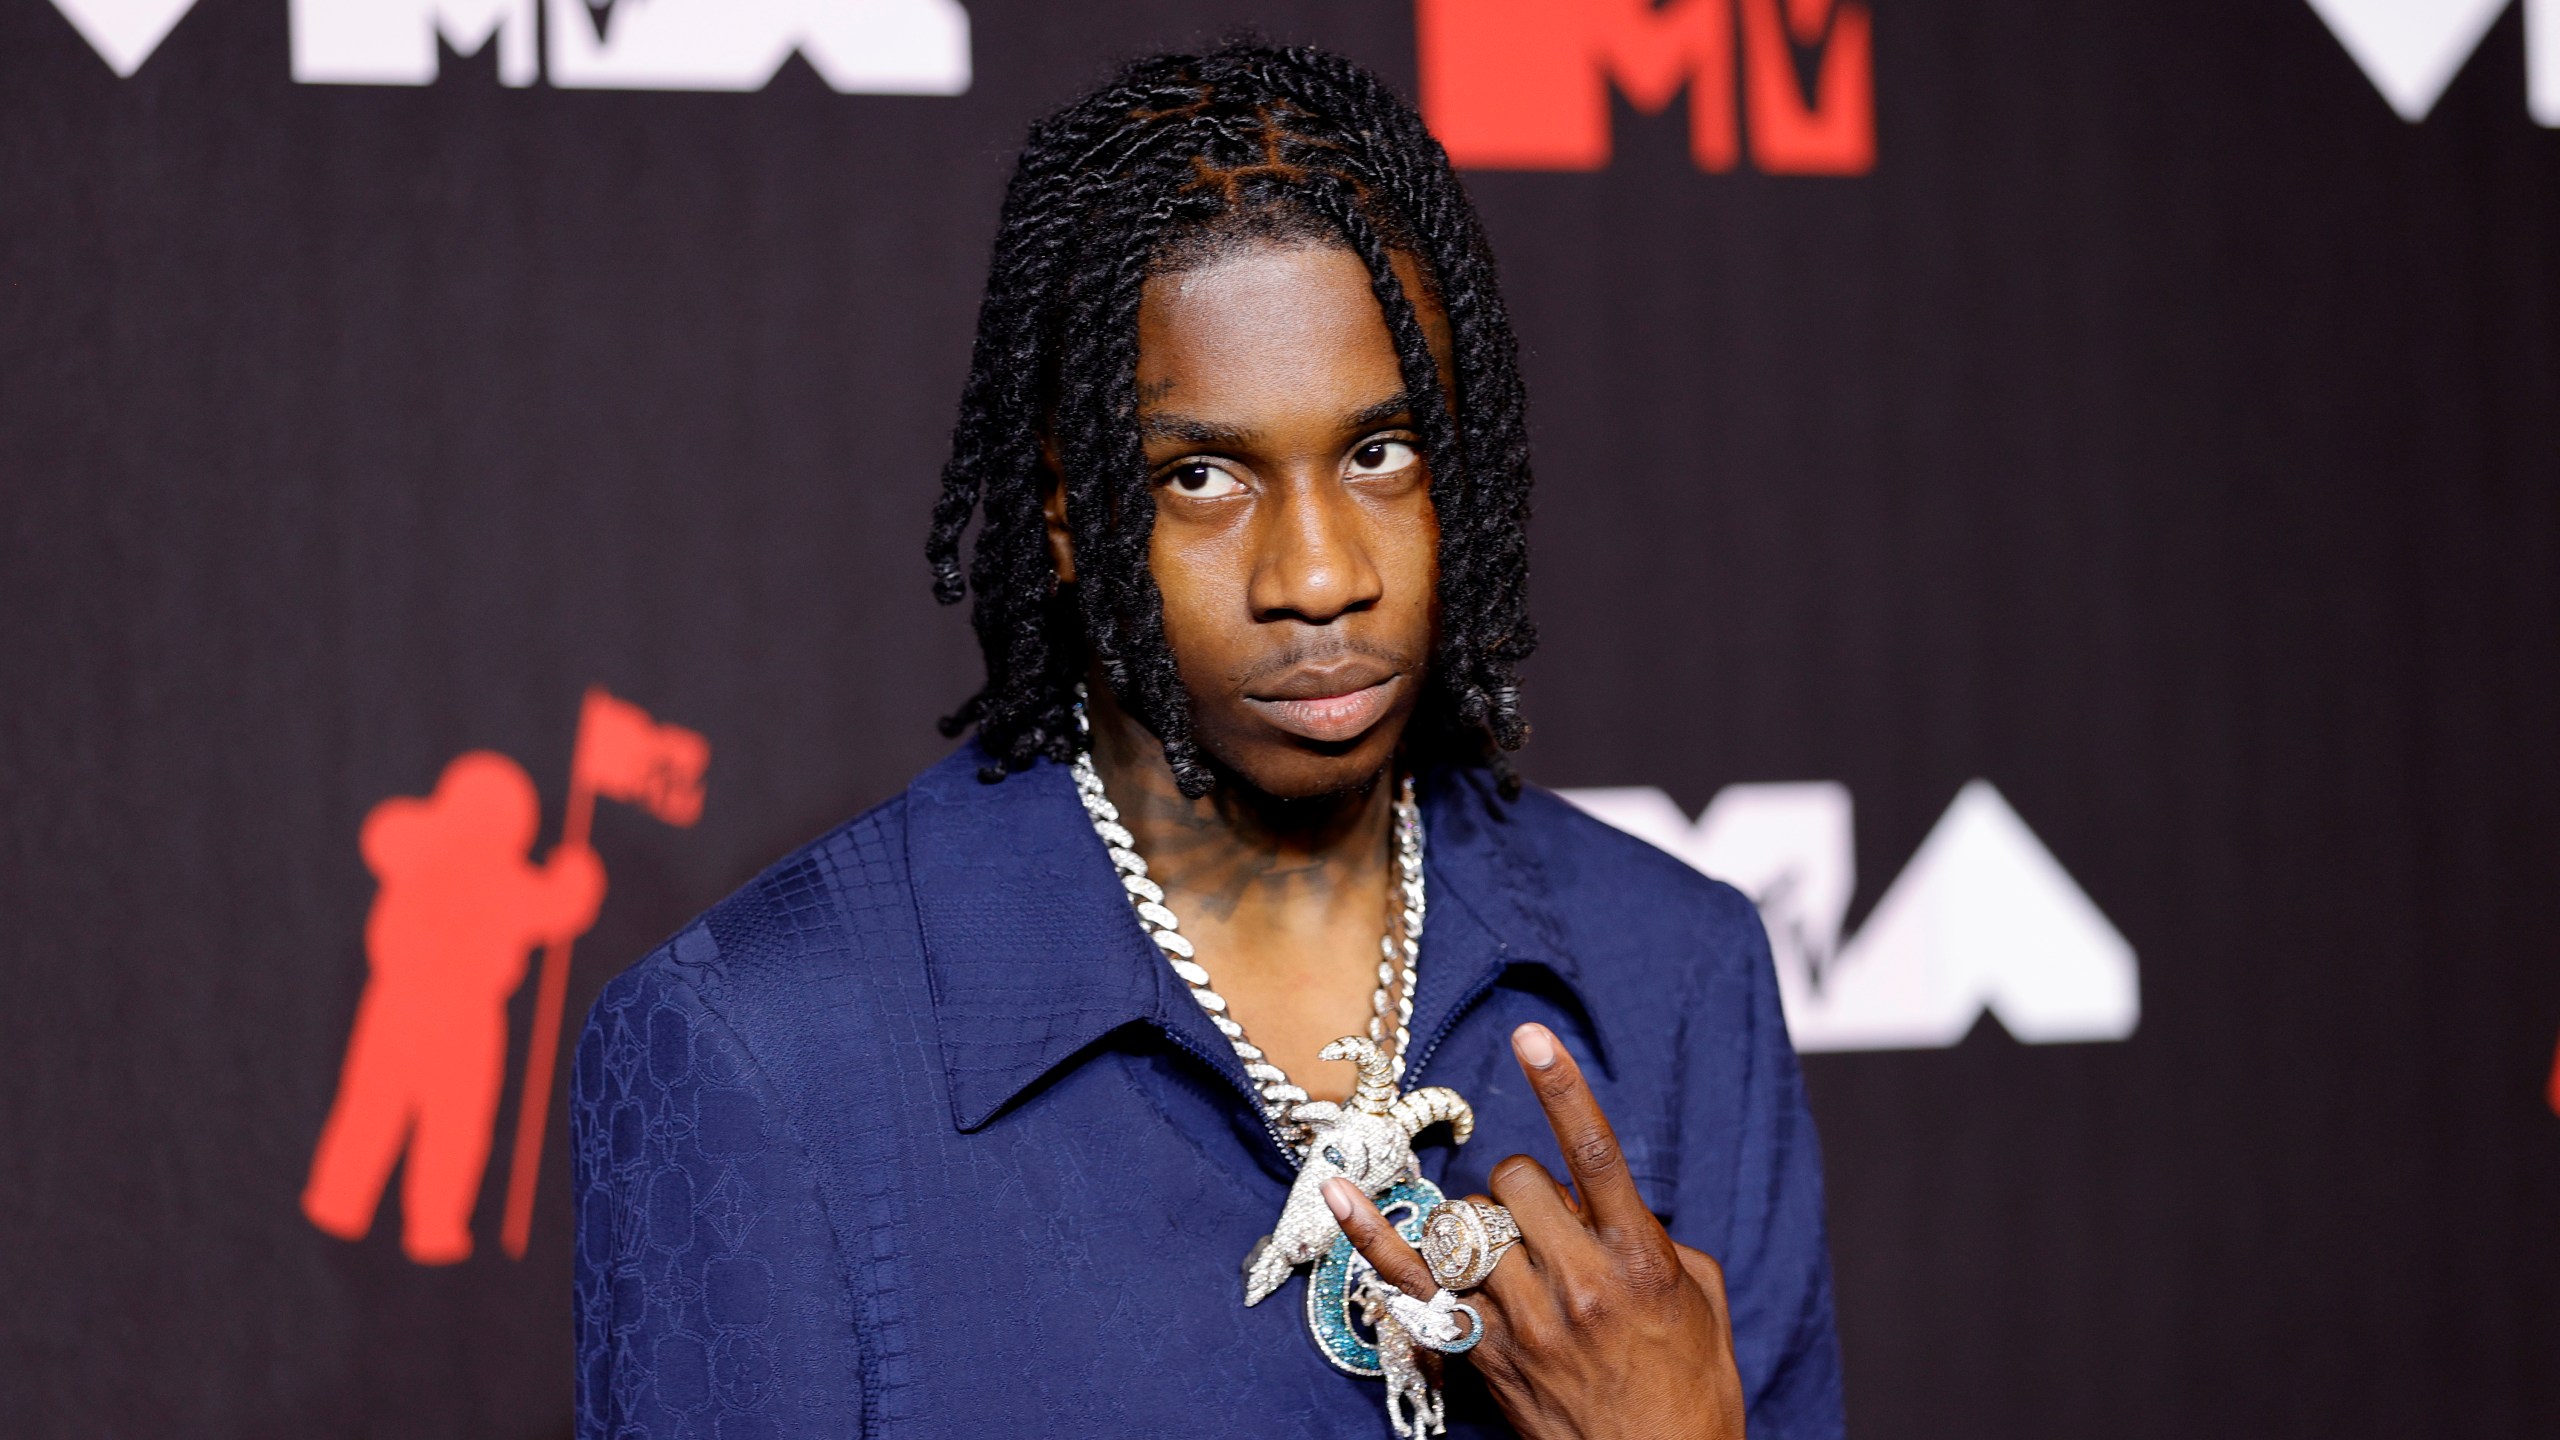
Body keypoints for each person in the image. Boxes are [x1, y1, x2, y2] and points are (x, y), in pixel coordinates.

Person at [571, 43, 1841, 1439]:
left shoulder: (1672, 972)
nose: (1318, 574)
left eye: (1381, 452)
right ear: (1065, 511)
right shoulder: (761, 1047)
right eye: (1203, 477)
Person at [307, 750, 604, 1264]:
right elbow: (555, 906)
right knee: (405, 1113)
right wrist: (573, 879)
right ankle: (381, 1211)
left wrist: (574, 880)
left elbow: (555, 908)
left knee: (439, 1121)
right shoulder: (438, 854)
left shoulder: (470, 869)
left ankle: (408, 1217)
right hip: (421, 1003)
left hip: (449, 1010)